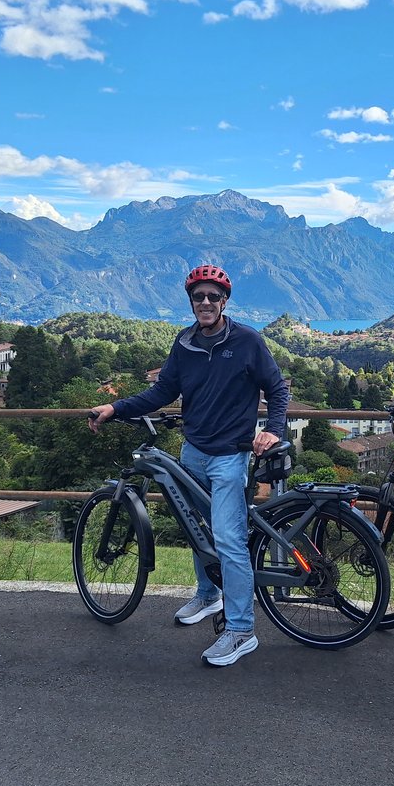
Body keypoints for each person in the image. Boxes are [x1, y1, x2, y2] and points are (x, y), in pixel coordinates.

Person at [89, 264, 289, 667]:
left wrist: (273, 430)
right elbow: (163, 391)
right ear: (191, 301)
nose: (206, 302)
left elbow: (277, 388)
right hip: (193, 451)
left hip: (229, 456)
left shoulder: (247, 341)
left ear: (225, 301)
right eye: (199, 296)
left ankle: (241, 631)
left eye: (214, 296)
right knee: (197, 526)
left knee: (229, 540)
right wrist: (116, 407)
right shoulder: (184, 343)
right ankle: (208, 594)